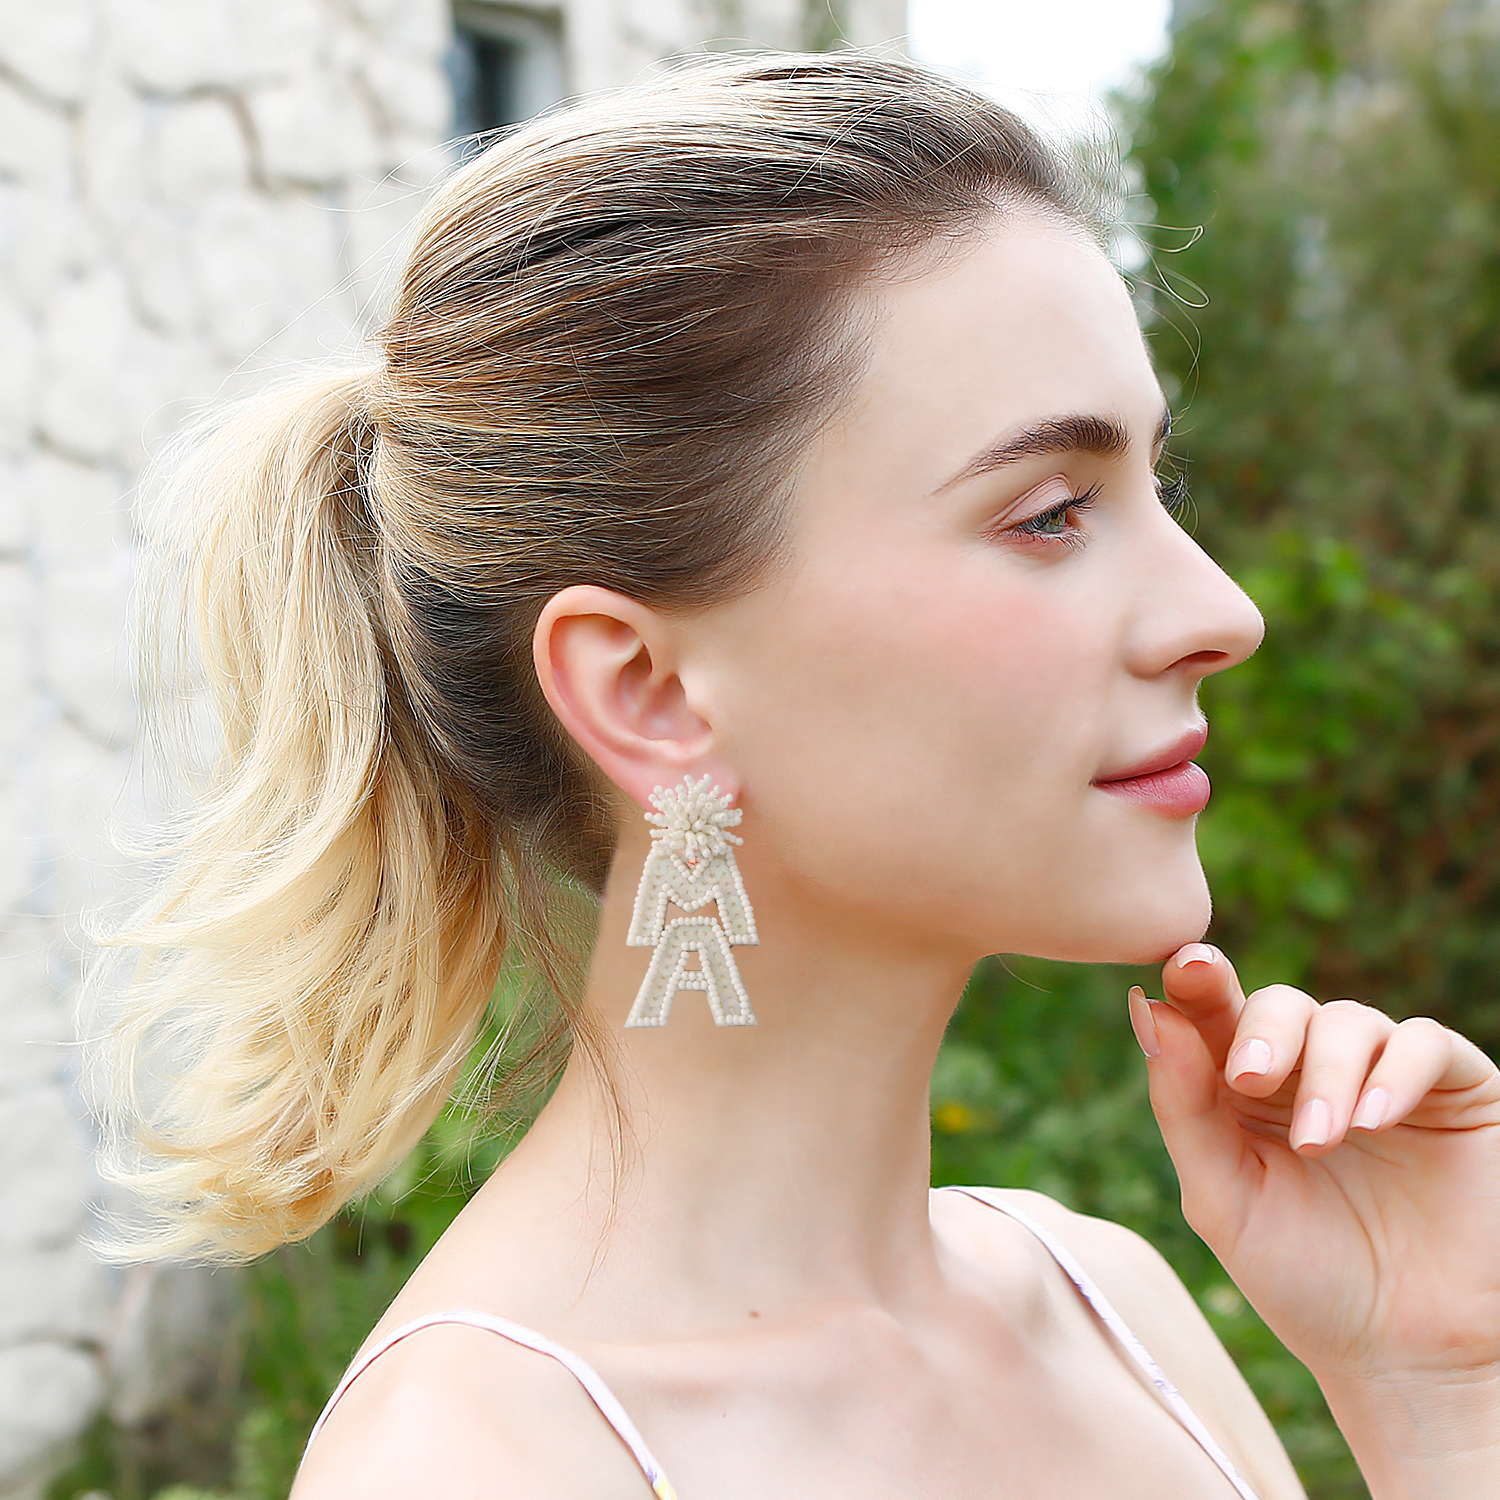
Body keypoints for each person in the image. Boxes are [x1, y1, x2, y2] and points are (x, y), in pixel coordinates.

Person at [96, 52, 1500, 1499]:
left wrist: (1442, 1395)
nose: (1222, 611)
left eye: (1162, 484)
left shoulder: (1112, 1312)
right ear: (646, 693)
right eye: (1051, 512)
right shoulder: (481, 1464)